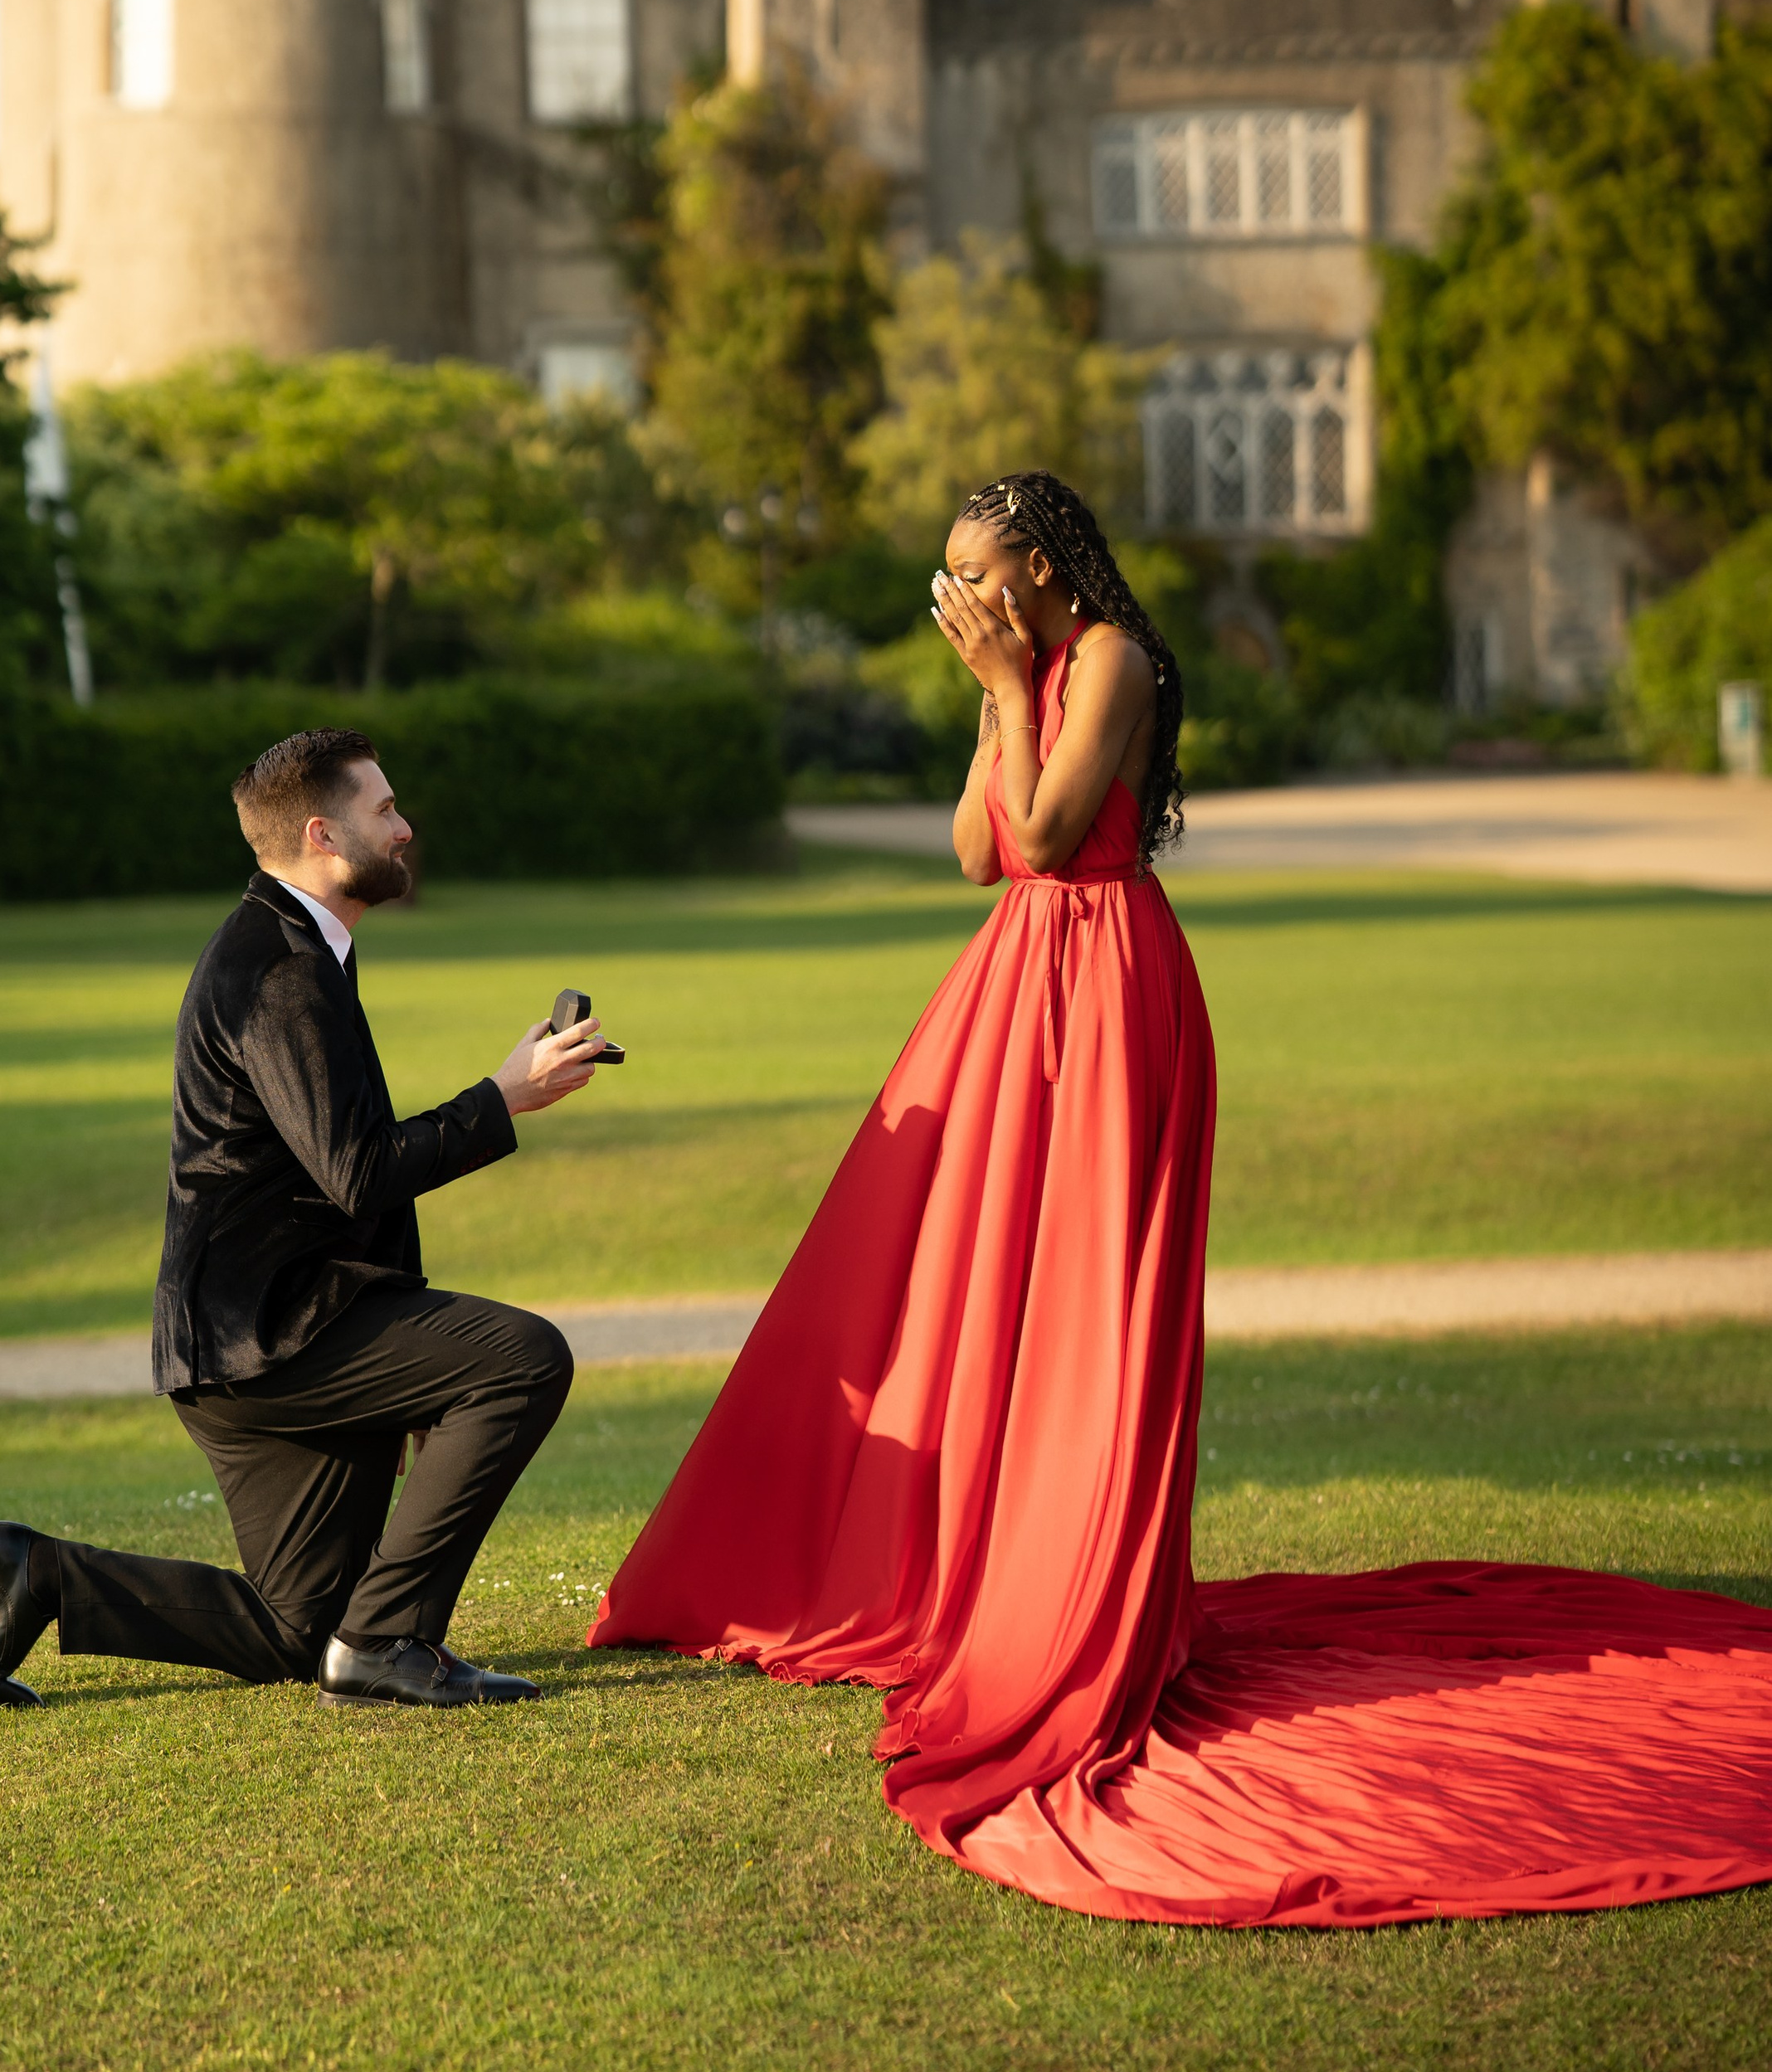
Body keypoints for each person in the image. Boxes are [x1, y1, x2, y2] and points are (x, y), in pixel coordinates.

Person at [590, 470, 1772, 1925]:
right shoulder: (1025, 669)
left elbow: (1047, 836)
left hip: (1106, 983)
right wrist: (987, 694)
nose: (966, 593)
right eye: (951, 574)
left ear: (1045, 562)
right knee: (972, 1291)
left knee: (1089, 1300)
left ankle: (1075, 1596)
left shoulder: (1114, 662)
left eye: (982, 568)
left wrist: (1017, 686)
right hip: (1017, 989)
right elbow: (978, 853)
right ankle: (964, 1574)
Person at [0, 726, 610, 1714]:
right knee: (521, 1357)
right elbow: (359, 1171)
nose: (404, 827)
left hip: (251, 1338)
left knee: (296, 1633)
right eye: (384, 809)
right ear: (322, 832)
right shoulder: (281, 968)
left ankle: (41, 1575)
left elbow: (330, 1160)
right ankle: (390, 1641)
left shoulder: (297, 946)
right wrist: (500, 1097)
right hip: (268, 1337)